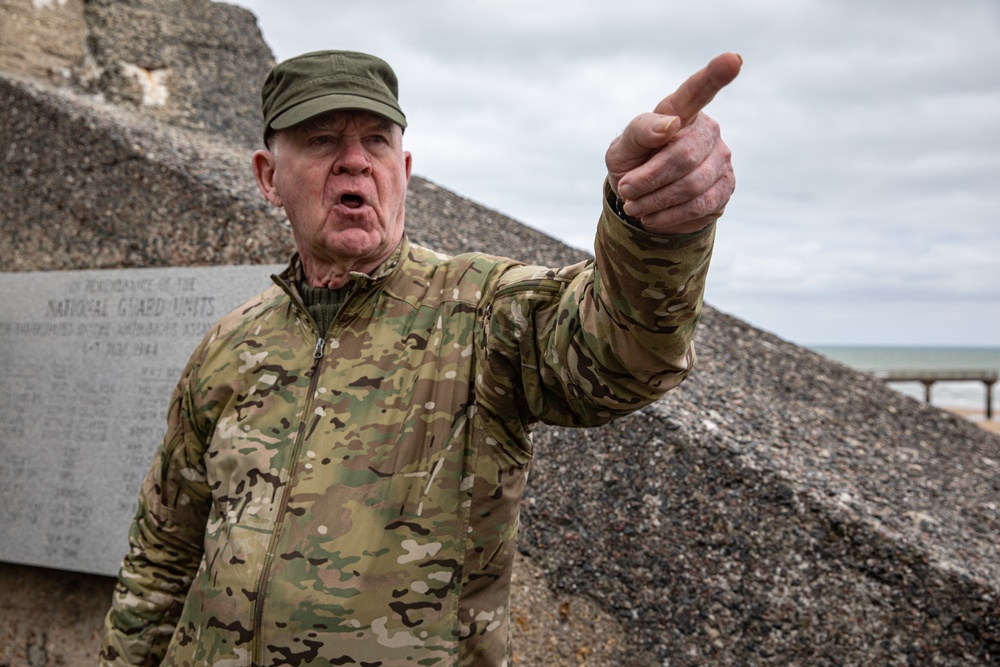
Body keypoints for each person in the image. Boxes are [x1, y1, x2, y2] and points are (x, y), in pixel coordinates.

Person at [100, 49, 740, 666]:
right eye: (322, 140)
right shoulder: (229, 346)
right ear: (269, 176)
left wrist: (654, 233)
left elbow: (621, 357)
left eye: (375, 142)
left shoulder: (481, 310)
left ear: (403, 169)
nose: (355, 162)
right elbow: (163, 552)